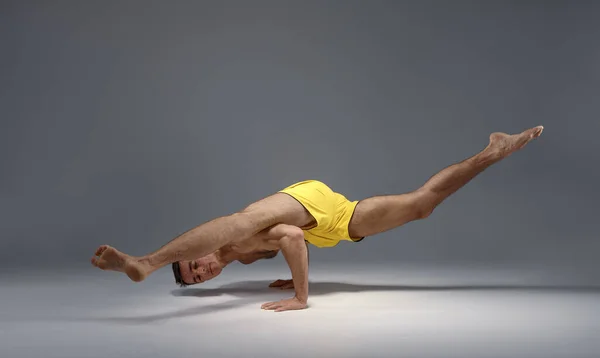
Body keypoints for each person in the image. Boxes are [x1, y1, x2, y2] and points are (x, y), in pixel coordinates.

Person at [91, 126, 544, 312]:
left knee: (242, 220)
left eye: (194, 265)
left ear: (199, 254)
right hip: (336, 222)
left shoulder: (232, 247)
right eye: (198, 279)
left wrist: (301, 295)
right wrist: (293, 273)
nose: (204, 271)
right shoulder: (239, 263)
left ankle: (146, 263)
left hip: (304, 204)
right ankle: (494, 150)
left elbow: (287, 233)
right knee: (422, 205)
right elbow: (291, 244)